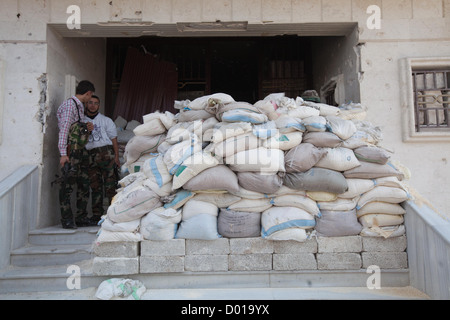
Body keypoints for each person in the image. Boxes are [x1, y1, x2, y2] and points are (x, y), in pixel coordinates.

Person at [57, 80, 95, 229]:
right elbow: (64, 130)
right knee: (67, 185)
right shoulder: (69, 105)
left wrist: (87, 127)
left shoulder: (79, 107)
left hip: (80, 151)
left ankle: (81, 217)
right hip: (70, 151)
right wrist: (62, 153)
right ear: (88, 93)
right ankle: (66, 219)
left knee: (84, 184)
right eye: (90, 97)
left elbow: (77, 129)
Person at [85, 95, 120, 223]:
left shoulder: (106, 120)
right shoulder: (82, 121)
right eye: (90, 103)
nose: (93, 105)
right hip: (90, 155)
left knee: (111, 185)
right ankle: (96, 215)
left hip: (106, 153)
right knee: (95, 186)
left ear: (99, 105)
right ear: (86, 104)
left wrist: (116, 157)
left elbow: (114, 139)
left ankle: (113, 213)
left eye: (96, 103)